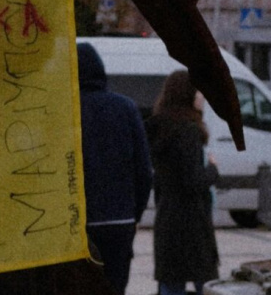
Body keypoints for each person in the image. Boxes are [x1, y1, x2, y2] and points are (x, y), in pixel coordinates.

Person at [78, 42, 153, 294]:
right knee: (115, 287)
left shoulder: (66, 110)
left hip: (80, 224)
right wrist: (136, 214)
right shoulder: (126, 107)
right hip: (119, 221)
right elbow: (143, 169)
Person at [146, 70, 220, 295]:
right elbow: (193, 181)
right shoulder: (188, 131)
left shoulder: (158, 127)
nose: (203, 97)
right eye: (199, 91)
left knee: (171, 282)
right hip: (192, 224)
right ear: (187, 95)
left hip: (167, 219)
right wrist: (213, 170)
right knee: (205, 284)